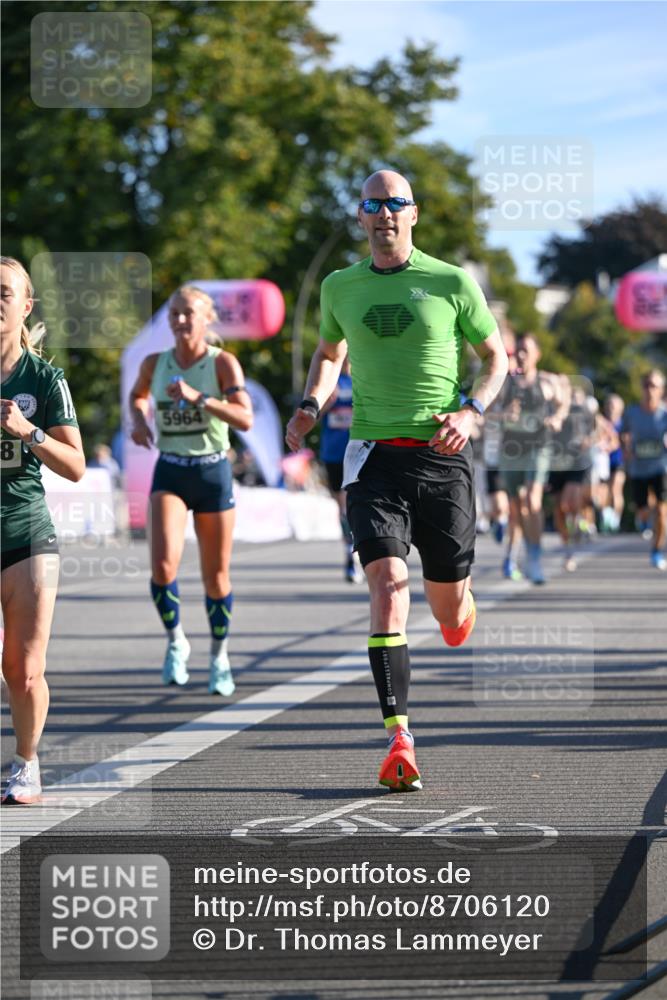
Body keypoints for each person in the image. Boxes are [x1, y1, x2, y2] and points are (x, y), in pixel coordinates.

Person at [286, 170, 508, 792]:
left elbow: (498, 358)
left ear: (414, 213)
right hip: (373, 455)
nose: (384, 213)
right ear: (360, 216)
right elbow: (331, 354)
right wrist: (311, 405)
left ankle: (461, 603)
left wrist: (472, 411)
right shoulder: (339, 286)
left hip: (442, 457)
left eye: (396, 204)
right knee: (386, 583)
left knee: (447, 611)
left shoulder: (450, 282)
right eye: (372, 204)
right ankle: (399, 736)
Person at [129, 285, 253, 693]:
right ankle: (176, 640)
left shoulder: (223, 364)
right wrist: (141, 420)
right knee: (163, 568)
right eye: (175, 314)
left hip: (212, 471)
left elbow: (244, 419)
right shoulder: (155, 363)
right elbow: (137, 397)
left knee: (216, 577)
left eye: (189, 313)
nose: (181, 320)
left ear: (207, 319)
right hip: (171, 470)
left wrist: (199, 397)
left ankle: (219, 655)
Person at [1, 256, 85, 804]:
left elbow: (75, 465)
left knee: (23, 670)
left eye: (2, 293)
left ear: (25, 306)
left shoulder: (44, 379)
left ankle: (26, 763)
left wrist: (27, 430)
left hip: (24, 534)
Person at [498, 333, 568, 585]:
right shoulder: (507, 383)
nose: (521, 354)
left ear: (537, 354)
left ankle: (534, 558)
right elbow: (488, 413)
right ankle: (521, 552)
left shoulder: (547, 381)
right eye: (518, 350)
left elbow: (564, 401)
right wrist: (504, 414)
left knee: (532, 499)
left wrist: (558, 417)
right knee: (517, 508)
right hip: (511, 448)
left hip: (539, 446)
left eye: (527, 350)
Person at [319, 355, 363, 583]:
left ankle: (364, 552)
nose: (348, 361)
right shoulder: (330, 381)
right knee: (343, 507)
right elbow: (313, 414)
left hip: (360, 451)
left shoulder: (365, 380)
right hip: (334, 453)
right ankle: (350, 553)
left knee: (357, 503)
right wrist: (326, 403)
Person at [620, 369, 667, 570]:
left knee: (663, 513)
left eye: (654, 386)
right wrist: (626, 449)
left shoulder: (665, 414)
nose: (650, 390)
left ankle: (656, 551)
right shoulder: (631, 412)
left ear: (661, 390)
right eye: (646, 385)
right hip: (639, 469)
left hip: (661, 467)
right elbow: (622, 435)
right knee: (643, 509)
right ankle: (643, 518)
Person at [548, 379, 595, 572]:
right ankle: (568, 547)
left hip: (577, 462)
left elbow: (594, 431)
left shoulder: (582, 409)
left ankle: (579, 520)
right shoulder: (547, 409)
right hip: (555, 463)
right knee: (559, 509)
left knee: (569, 503)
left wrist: (587, 440)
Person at [602, 394, 625, 532]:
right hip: (603, 463)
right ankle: (606, 518)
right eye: (609, 405)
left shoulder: (623, 423)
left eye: (614, 405)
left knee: (616, 489)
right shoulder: (601, 422)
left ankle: (616, 520)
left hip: (619, 460)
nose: (611, 408)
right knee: (605, 492)